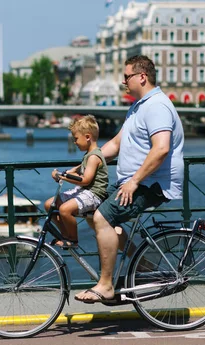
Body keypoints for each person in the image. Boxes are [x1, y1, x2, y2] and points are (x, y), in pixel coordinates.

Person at [74, 55, 185, 303]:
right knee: (93, 212)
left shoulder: (157, 106)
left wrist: (134, 181)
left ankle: (105, 285)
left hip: (150, 183)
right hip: (135, 181)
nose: (123, 81)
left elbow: (161, 148)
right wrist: (85, 164)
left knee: (103, 216)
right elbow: (115, 144)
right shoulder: (138, 106)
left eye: (127, 77)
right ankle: (141, 264)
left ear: (142, 77)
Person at [44, 115, 108, 249]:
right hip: (84, 191)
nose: (74, 142)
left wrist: (63, 177)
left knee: (65, 209)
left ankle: (73, 240)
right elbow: (74, 172)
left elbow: (85, 180)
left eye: (76, 139)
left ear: (88, 137)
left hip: (94, 194)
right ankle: (65, 235)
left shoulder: (94, 157)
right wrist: (62, 174)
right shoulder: (88, 156)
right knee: (50, 204)